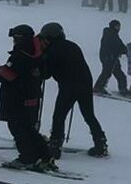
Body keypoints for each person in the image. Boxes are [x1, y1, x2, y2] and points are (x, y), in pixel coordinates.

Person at [0, 25, 56, 170]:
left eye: (15, 38)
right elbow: (16, 72)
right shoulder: (36, 52)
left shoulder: (21, 55)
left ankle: (27, 157)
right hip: (31, 95)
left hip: (17, 98)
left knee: (18, 128)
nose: (14, 41)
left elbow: (9, 75)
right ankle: (45, 155)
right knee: (28, 128)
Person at [38, 23, 108, 158]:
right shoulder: (72, 45)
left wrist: (41, 61)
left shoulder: (52, 50)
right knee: (89, 115)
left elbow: (46, 74)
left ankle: (55, 146)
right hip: (85, 83)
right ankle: (101, 143)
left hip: (69, 86)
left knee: (59, 116)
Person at [93, 19, 128, 95]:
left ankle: (123, 89)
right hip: (108, 57)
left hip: (113, 58)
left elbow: (120, 45)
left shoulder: (114, 34)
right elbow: (112, 46)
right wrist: (120, 50)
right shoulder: (109, 34)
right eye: (117, 26)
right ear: (113, 26)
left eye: (119, 26)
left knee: (119, 73)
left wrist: (125, 50)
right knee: (106, 73)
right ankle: (98, 88)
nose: (118, 28)